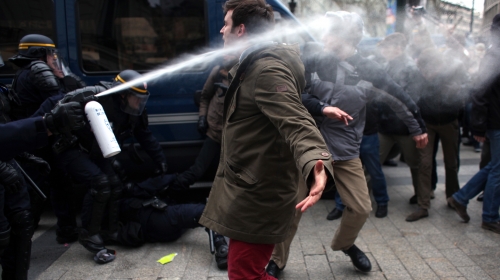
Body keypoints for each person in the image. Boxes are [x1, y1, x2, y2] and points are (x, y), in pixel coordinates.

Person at [267, 12, 428, 278]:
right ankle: (277, 260)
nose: (325, 38)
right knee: (291, 207)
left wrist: (418, 128)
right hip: (308, 146)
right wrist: (322, 107)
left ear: (348, 36)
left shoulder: (368, 68)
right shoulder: (314, 59)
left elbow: (397, 96)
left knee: (362, 208)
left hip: (345, 150)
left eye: (331, 33)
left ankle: (345, 244)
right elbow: (293, 93)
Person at [198, 1, 335, 279]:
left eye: (226, 23)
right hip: (251, 192)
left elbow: (297, 121)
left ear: (241, 30)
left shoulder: (266, 70)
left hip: (260, 198)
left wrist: (315, 162)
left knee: (244, 274)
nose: (222, 30)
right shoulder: (250, 65)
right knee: (245, 272)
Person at [35, 70, 168, 261]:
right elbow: (53, 106)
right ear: (123, 93)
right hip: (72, 149)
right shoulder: (95, 96)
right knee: (100, 183)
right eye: (136, 98)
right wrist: (35, 127)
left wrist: (160, 159)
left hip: (96, 151)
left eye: (142, 99)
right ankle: (89, 233)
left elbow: (144, 134)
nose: (139, 103)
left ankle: (109, 230)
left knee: (114, 183)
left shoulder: (132, 110)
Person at [0, 67, 84, 278]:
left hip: (10, 166)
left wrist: (23, 154)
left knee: (20, 227)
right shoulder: (35, 76)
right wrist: (45, 124)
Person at [447, 14, 500, 234]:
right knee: (497, 169)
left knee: (494, 166)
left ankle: (460, 197)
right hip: (497, 122)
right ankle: (489, 217)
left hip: (496, 121)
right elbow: (479, 92)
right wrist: (478, 126)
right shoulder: (494, 55)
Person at [112, 172, 229, 269]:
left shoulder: (108, 211)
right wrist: (173, 177)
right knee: (203, 212)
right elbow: (148, 186)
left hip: (158, 227)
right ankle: (222, 249)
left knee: (194, 210)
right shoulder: (121, 195)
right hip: (158, 219)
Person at [409, 48, 468, 222]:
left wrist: (457, 91)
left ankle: (453, 197)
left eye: (430, 70)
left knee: (451, 162)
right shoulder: (418, 75)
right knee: (425, 163)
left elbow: (468, 88)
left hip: (449, 121)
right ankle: (423, 205)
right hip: (427, 122)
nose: (427, 74)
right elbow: (413, 97)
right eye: (423, 70)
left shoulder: (453, 72)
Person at [376, 32, 427, 214]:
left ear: (398, 48)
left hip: (405, 128)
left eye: (387, 47)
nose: (384, 51)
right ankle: (357, 201)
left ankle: (423, 204)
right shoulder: (386, 65)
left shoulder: (410, 68)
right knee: (373, 162)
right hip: (385, 126)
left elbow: (413, 100)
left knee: (416, 166)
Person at [171, 55, 237, 189]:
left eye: (230, 53)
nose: (226, 56)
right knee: (198, 170)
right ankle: (170, 189)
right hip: (214, 133)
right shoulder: (217, 73)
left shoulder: (242, 76)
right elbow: (205, 97)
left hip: (232, 136)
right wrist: (202, 117)